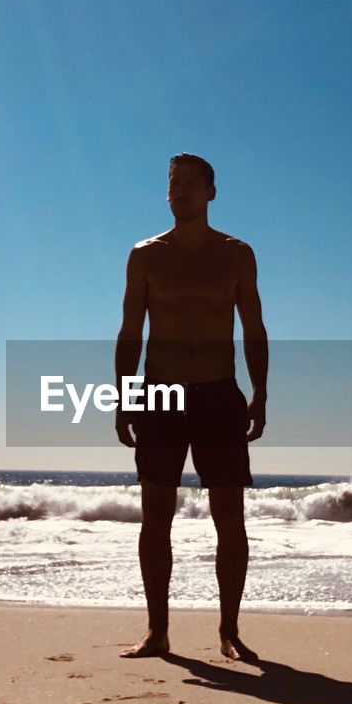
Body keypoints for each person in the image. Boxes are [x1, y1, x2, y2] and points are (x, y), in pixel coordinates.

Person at [114, 153, 268, 661]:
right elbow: (131, 331)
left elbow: (253, 328)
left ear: (211, 192)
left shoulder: (237, 254)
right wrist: (124, 395)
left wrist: (260, 391)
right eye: (172, 185)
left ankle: (229, 630)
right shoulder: (145, 255)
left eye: (189, 184)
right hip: (161, 395)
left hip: (219, 394)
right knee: (156, 516)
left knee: (230, 517)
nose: (178, 192)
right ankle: (157, 632)